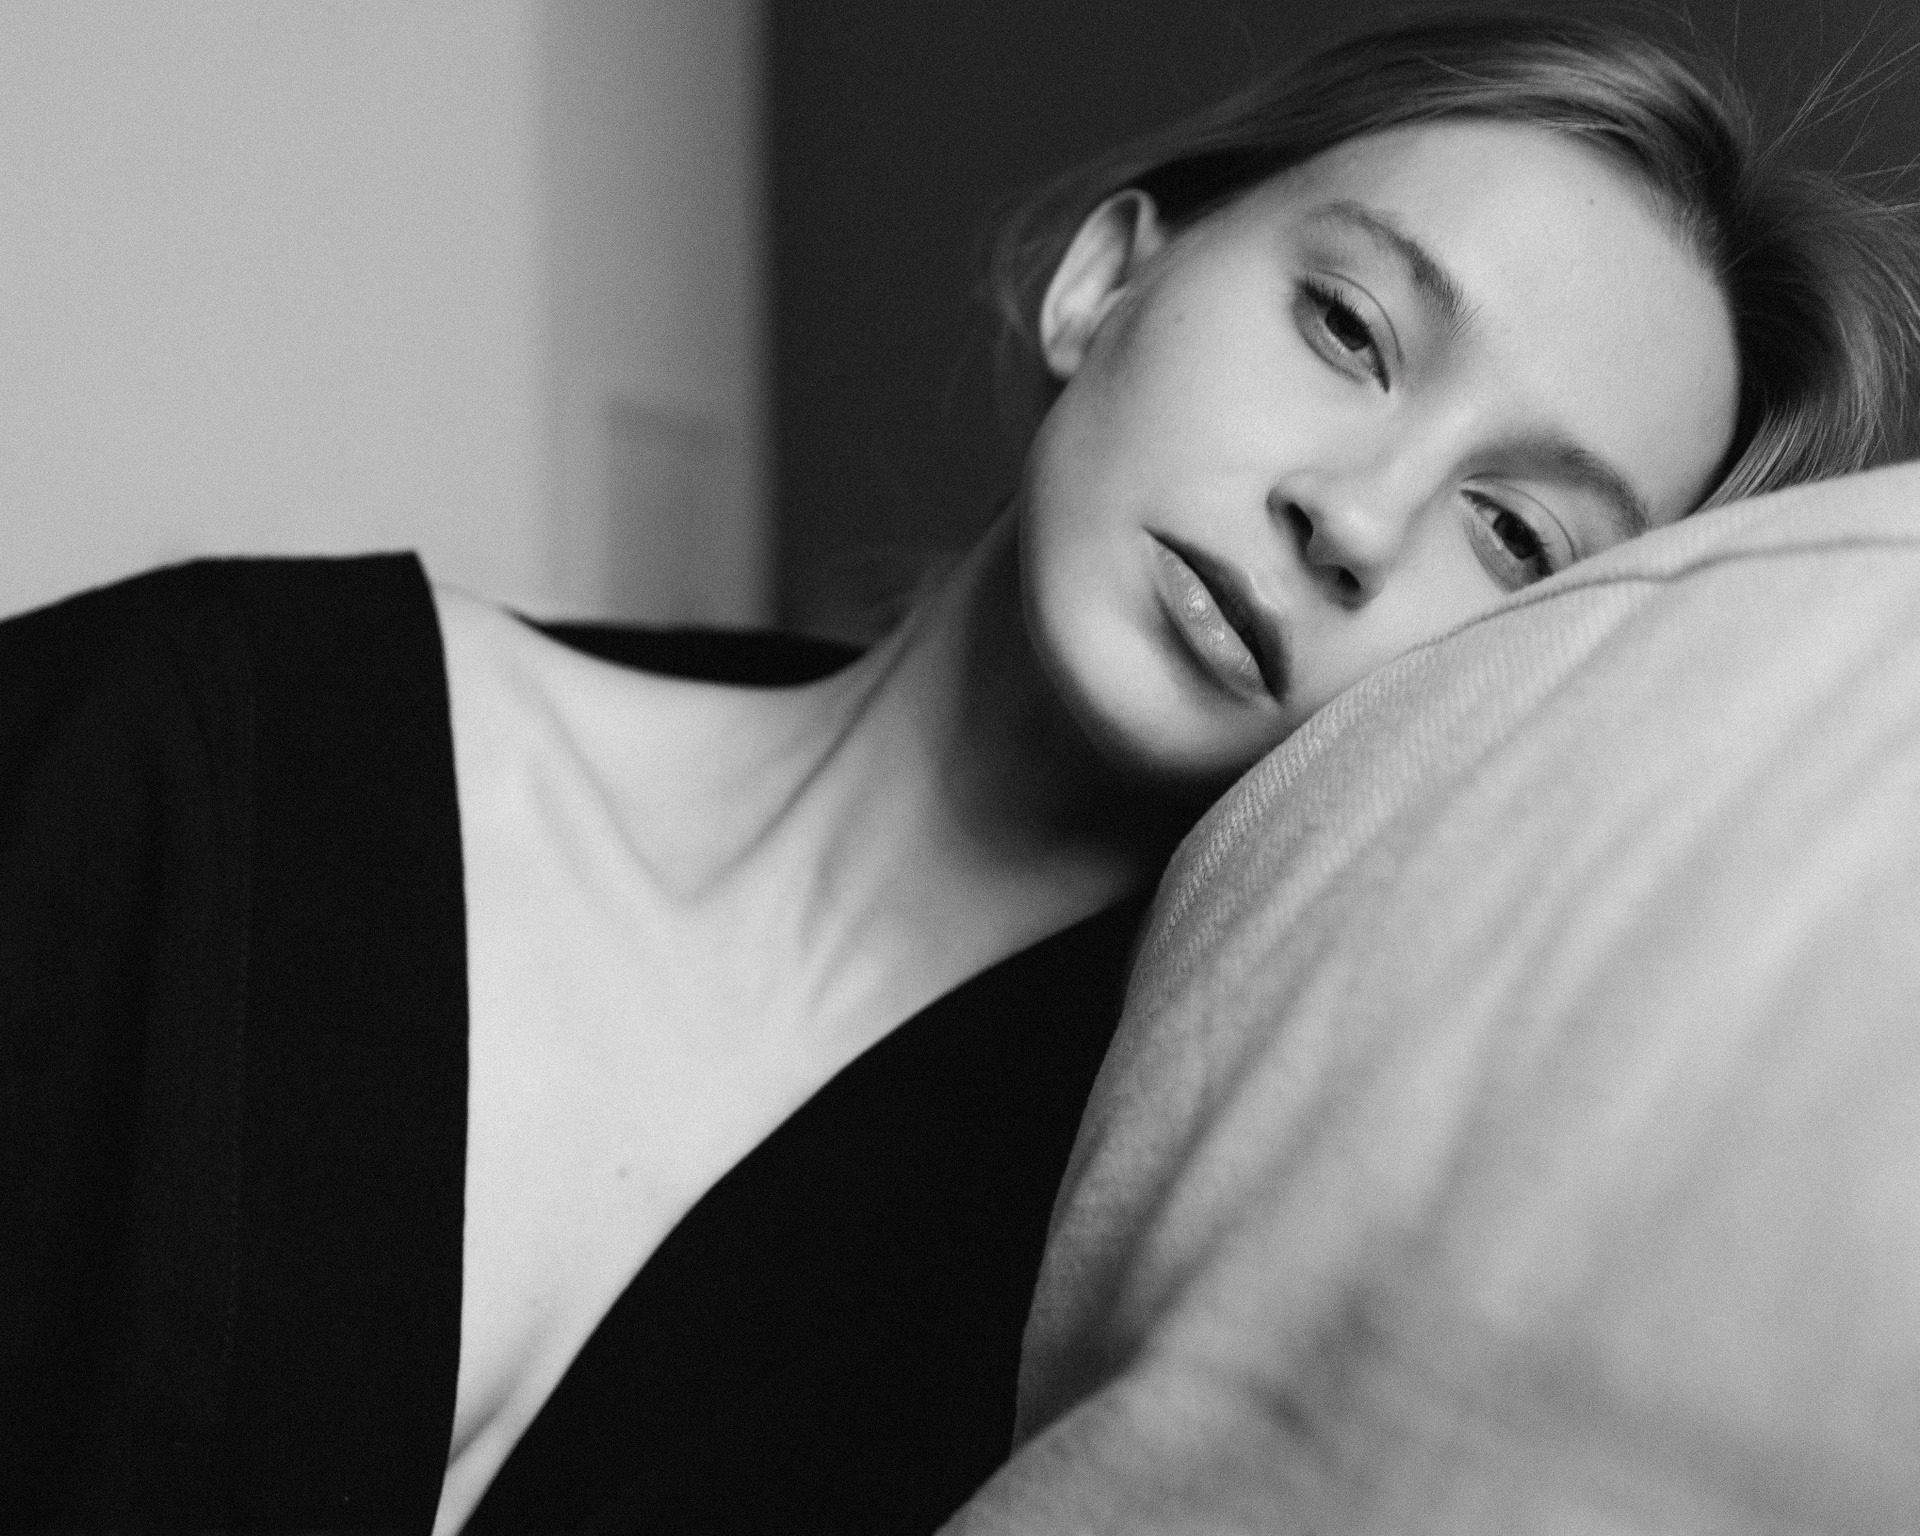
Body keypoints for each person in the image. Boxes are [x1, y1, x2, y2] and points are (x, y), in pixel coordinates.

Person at [3, 12, 1917, 1534]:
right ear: (1106, 281)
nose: (1354, 518)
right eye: (1349, 327)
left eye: (1515, 536)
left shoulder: (1165, 1285)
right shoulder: (207, 737)